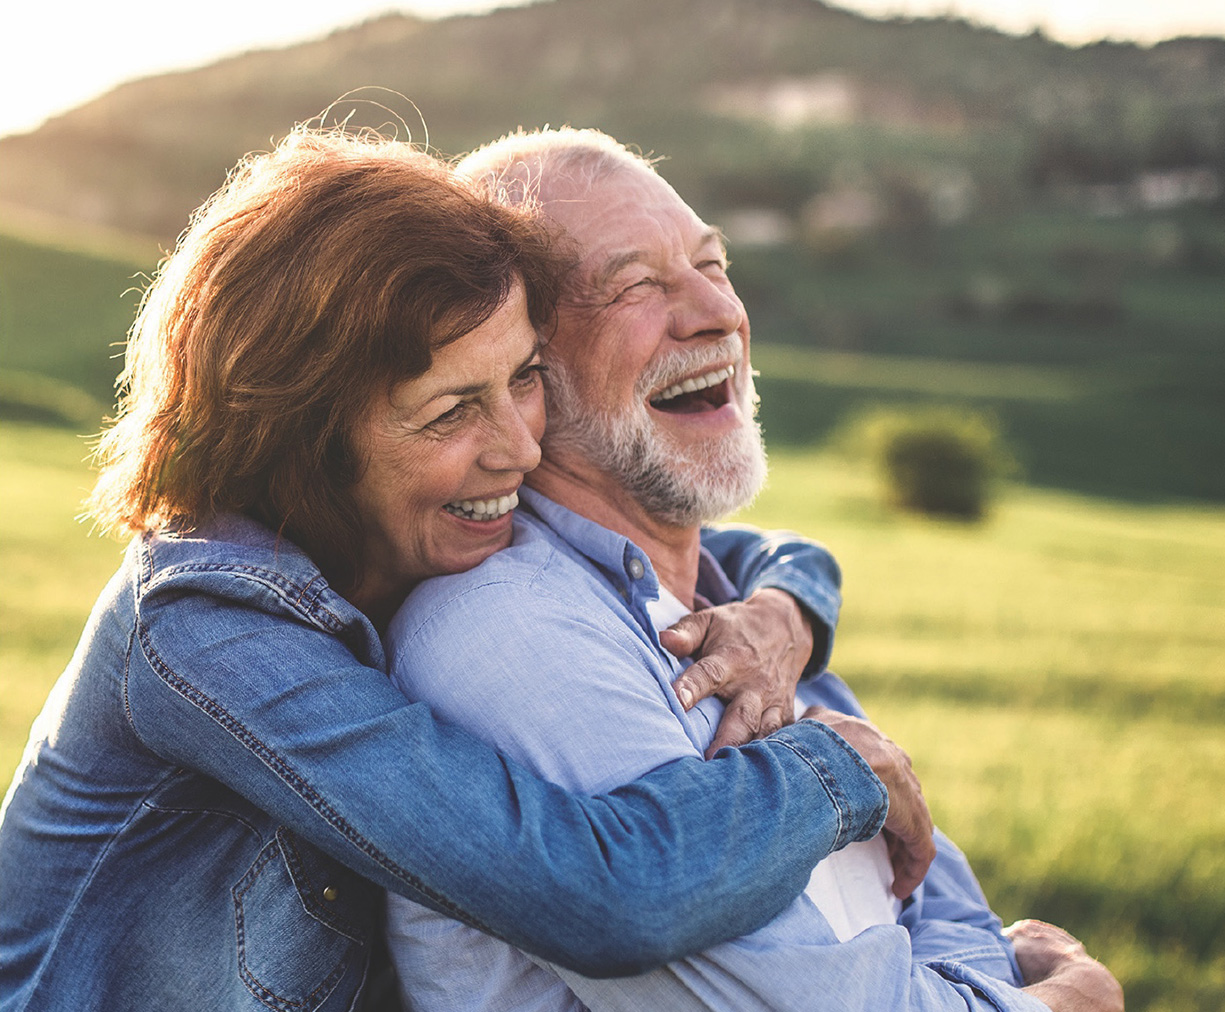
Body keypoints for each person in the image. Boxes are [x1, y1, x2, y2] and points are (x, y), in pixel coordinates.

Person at [0, 128, 938, 1012]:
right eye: (452, 412)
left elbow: (728, 554)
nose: (519, 452)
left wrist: (785, 609)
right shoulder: (204, 626)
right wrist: (834, 765)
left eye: (524, 377)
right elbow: (597, 897)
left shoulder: (409, 525)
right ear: (305, 439)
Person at [384, 127, 1124, 1012]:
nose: (717, 314)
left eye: (714, 265)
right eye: (635, 287)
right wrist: (1064, 1004)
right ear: (519, 365)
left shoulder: (744, 618)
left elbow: (930, 894)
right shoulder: (513, 634)